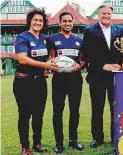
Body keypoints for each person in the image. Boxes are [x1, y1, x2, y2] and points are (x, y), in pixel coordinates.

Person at [13, 8, 58, 155]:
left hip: (40, 82)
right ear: (30, 22)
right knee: (25, 114)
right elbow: (22, 58)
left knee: (39, 114)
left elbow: (55, 50)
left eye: (41, 20)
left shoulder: (45, 39)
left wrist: (52, 61)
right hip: (23, 81)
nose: (38, 22)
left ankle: (37, 143)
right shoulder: (22, 37)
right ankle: (25, 147)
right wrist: (44, 65)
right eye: (35, 20)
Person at [82, 3, 123, 148]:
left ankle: (116, 137)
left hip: (115, 76)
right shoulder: (89, 30)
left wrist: (120, 64)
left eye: (108, 13)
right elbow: (87, 53)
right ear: (98, 15)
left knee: (116, 108)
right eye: (103, 13)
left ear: (111, 15)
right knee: (97, 108)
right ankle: (97, 138)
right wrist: (102, 65)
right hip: (97, 76)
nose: (106, 16)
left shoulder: (119, 29)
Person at [46, 12, 85, 153]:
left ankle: (73, 140)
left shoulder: (79, 41)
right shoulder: (51, 39)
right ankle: (59, 143)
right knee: (58, 111)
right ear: (60, 23)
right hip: (59, 80)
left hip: (75, 79)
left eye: (69, 21)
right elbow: (47, 59)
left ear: (72, 23)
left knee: (74, 111)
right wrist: (50, 66)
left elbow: (84, 59)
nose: (67, 24)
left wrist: (79, 66)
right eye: (65, 21)